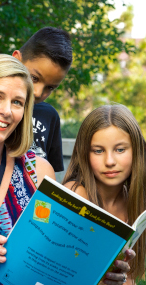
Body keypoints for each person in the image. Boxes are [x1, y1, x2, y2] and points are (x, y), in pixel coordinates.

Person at [0, 55, 131, 285]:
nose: (6, 111)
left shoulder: (38, 172)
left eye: (17, 102)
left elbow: (53, 266)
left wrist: (96, 277)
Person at [0, 27, 72, 172]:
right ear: (16, 58)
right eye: (34, 78)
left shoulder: (49, 116)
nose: (37, 92)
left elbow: (50, 181)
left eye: (50, 88)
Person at [63, 104, 145, 284]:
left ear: (136, 151)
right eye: (98, 151)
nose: (109, 161)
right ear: (84, 153)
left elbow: (130, 278)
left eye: (120, 150)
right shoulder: (75, 194)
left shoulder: (136, 202)